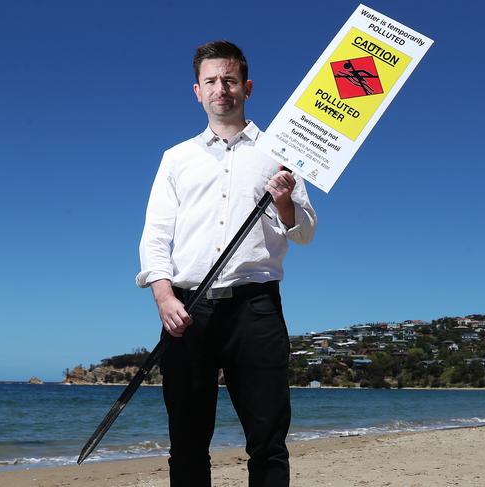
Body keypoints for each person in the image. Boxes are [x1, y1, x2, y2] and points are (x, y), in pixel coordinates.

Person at [136, 40, 317, 487]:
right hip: (187, 309)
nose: (222, 89)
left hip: (256, 308)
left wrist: (284, 203)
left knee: (268, 441)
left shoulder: (282, 151)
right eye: (212, 81)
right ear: (197, 91)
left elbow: (306, 231)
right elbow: (156, 236)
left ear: (247, 87)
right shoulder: (176, 158)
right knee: (188, 442)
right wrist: (162, 296)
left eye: (230, 80)